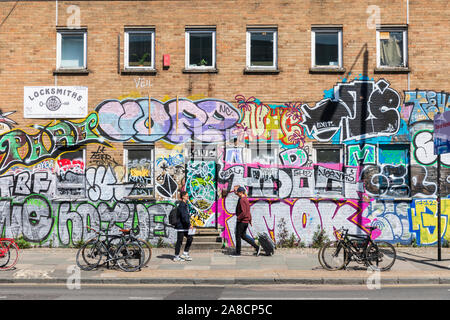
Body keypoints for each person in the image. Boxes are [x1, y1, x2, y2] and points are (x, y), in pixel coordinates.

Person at [231, 186, 261, 257]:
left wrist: (238, 218)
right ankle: (257, 247)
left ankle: (238, 253)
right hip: (245, 221)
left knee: (238, 236)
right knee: (243, 236)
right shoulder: (246, 199)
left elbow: (244, 212)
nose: (237, 194)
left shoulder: (242, 200)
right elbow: (248, 211)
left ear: (241, 192)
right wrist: (249, 220)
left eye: (238, 192)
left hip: (241, 221)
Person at [173, 191, 194, 262]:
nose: (188, 197)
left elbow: (186, 216)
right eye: (186, 196)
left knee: (190, 238)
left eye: (188, 196)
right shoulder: (182, 205)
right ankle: (176, 256)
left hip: (184, 227)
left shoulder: (185, 205)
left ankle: (185, 254)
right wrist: (189, 225)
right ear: (183, 197)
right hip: (181, 227)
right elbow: (184, 217)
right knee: (179, 241)